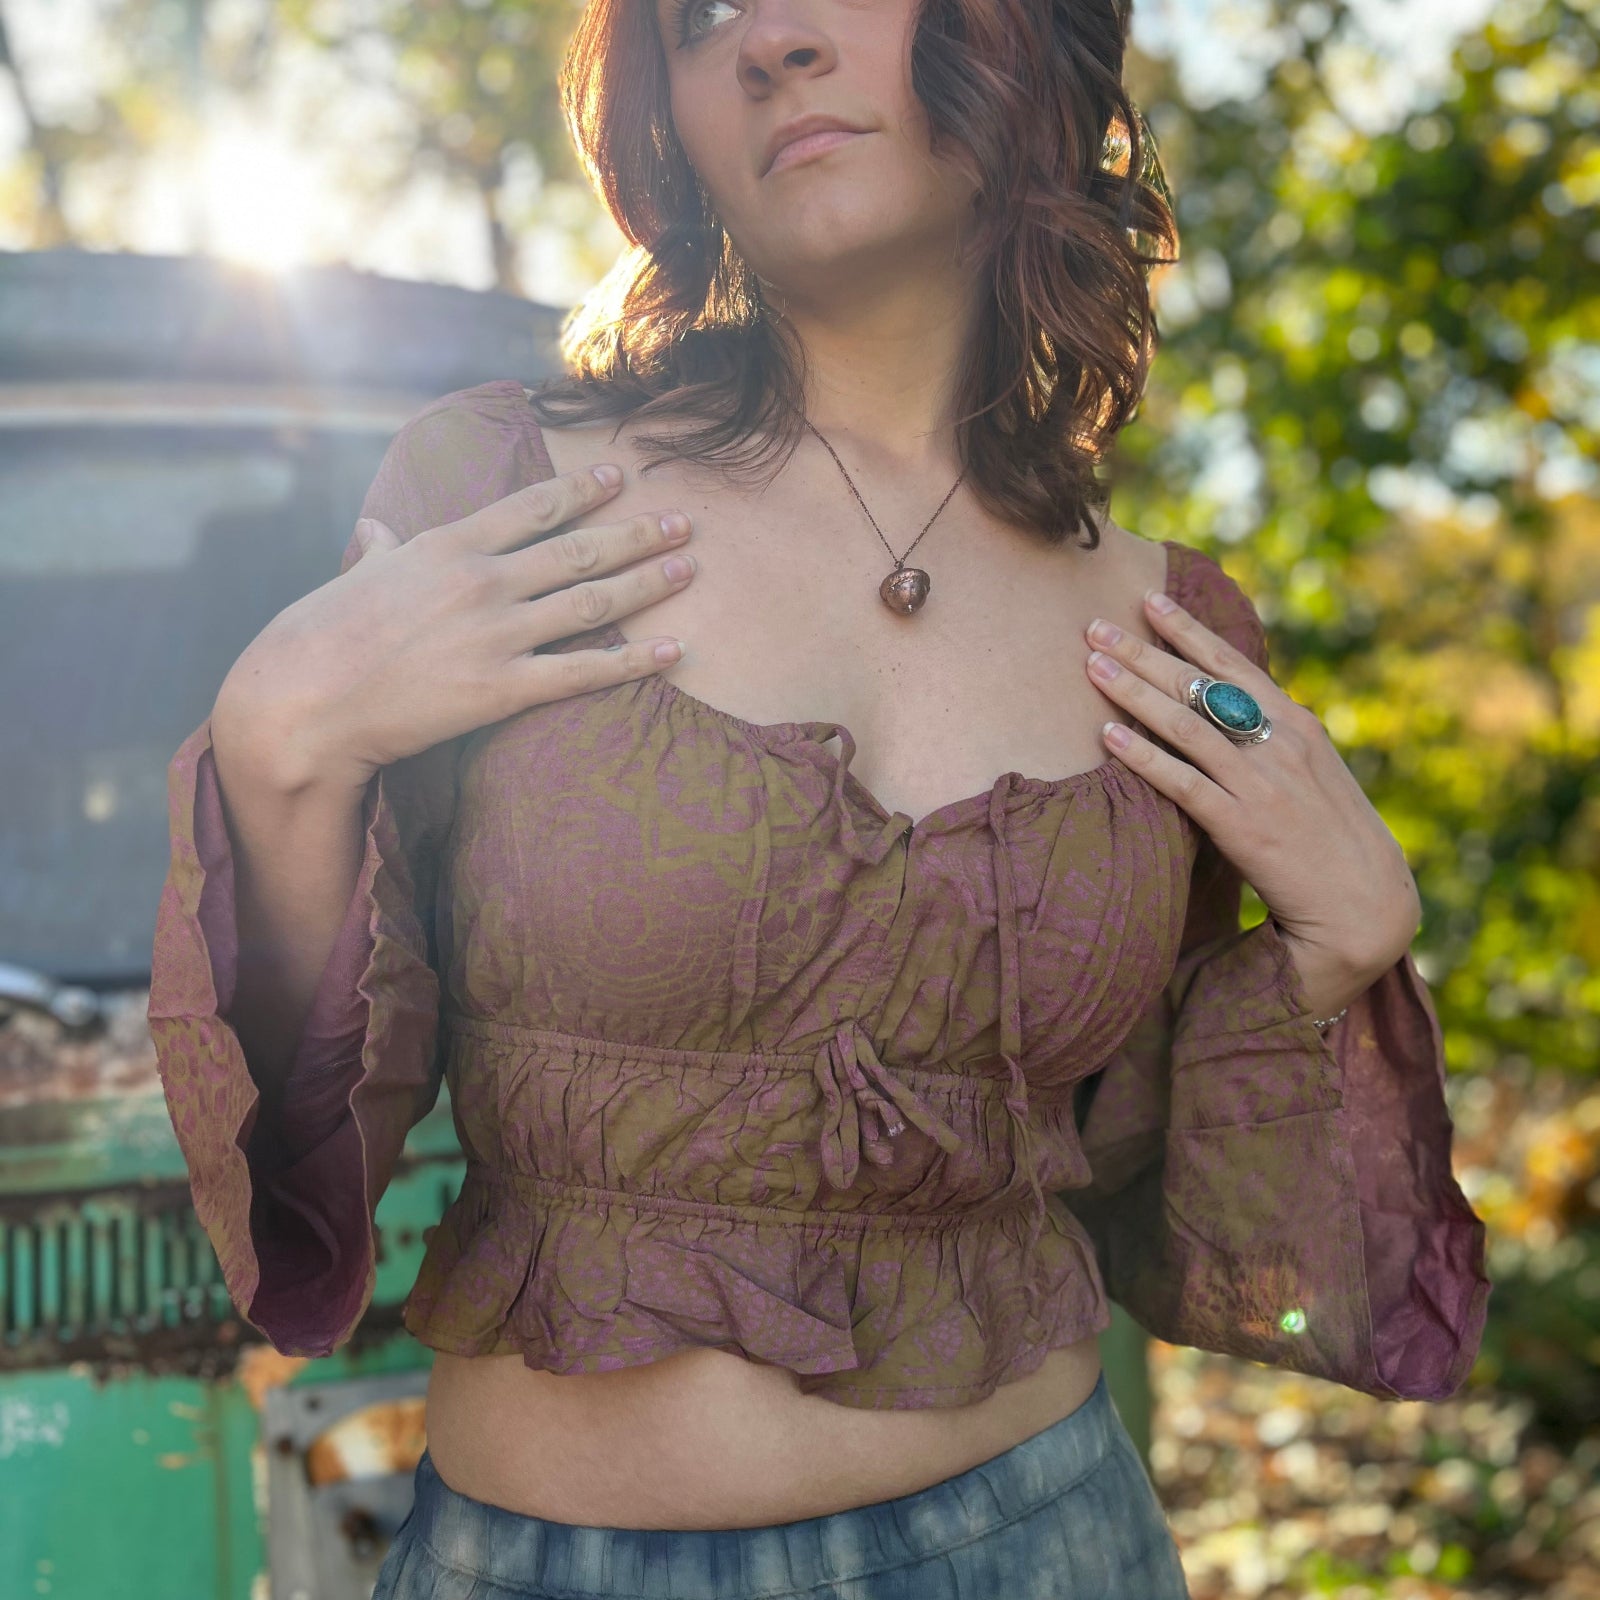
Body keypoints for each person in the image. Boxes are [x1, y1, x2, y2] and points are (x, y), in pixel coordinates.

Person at [146, 0, 1491, 1594]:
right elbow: (308, 1170)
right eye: (699, 17)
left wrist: (1339, 950)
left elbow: (1161, 1211)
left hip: (1051, 1540)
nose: (765, 38)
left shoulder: (1171, 634)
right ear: (673, 116)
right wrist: (280, 740)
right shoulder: (511, 500)